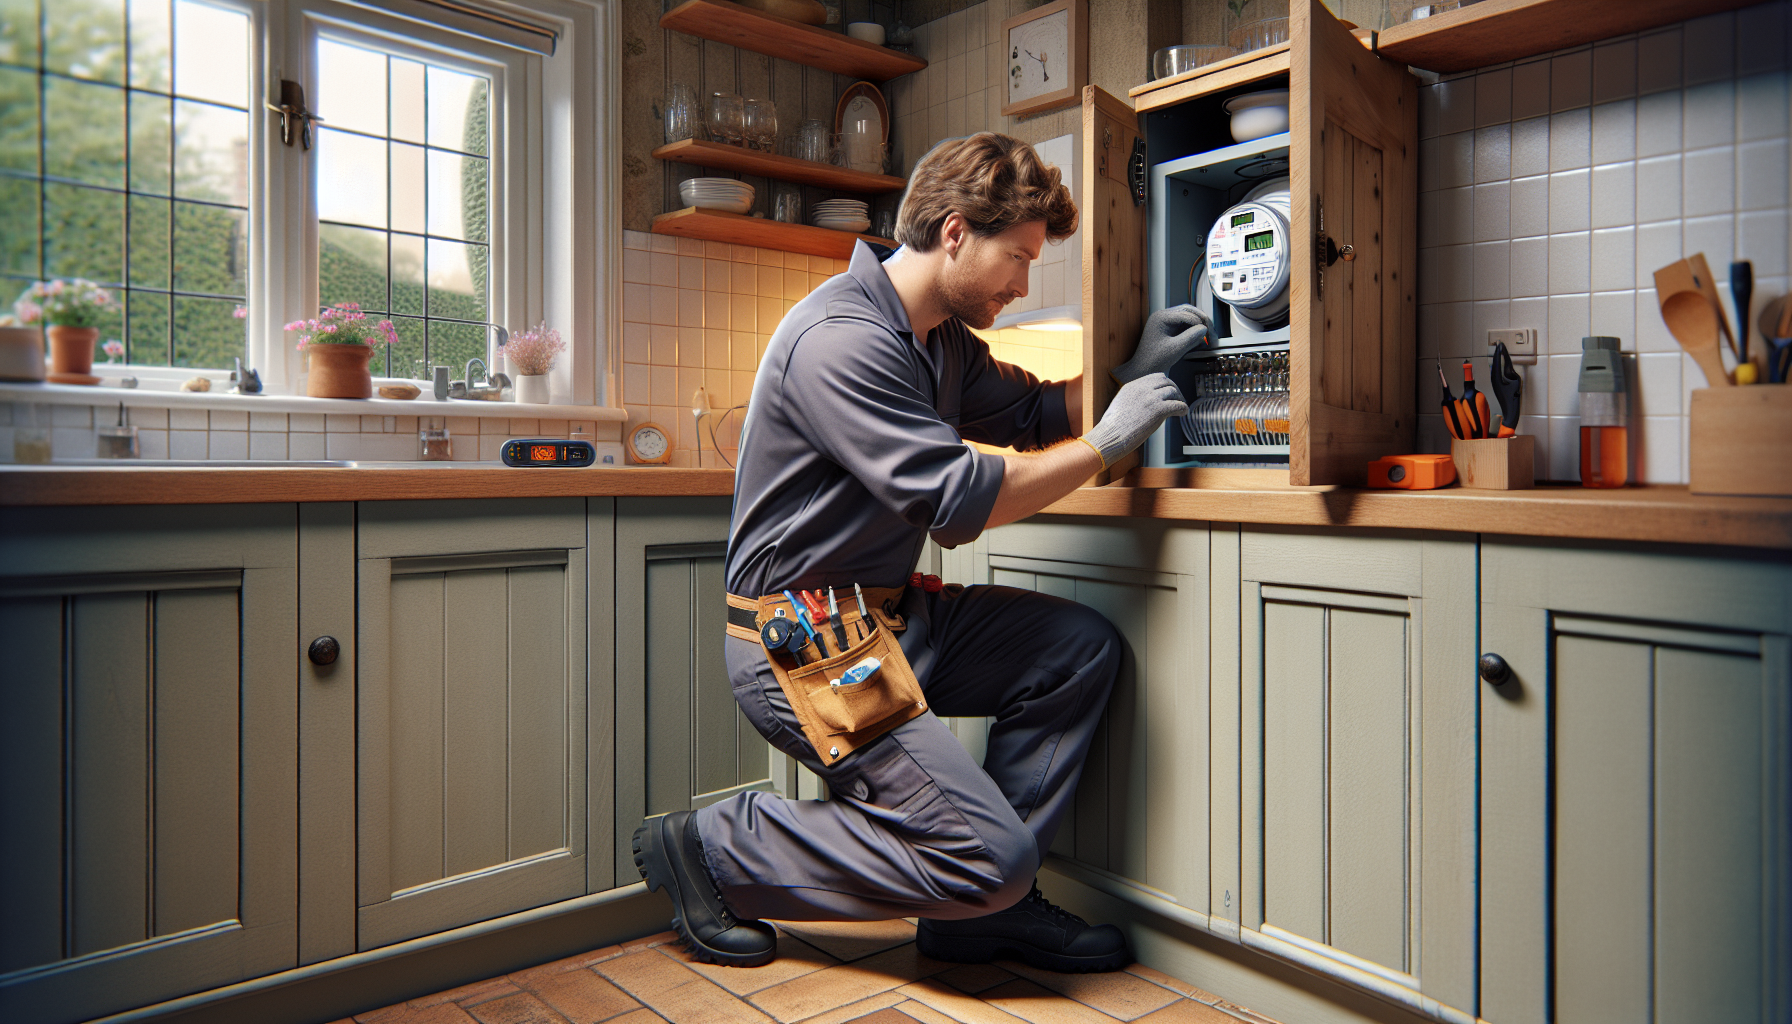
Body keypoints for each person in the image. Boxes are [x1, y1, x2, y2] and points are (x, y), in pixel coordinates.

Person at [634, 132, 1210, 974]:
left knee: (1075, 650)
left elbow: (1034, 415)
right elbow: (956, 502)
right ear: (952, 233)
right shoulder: (841, 338)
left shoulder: (936, 337)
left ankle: (978, 916)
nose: (1021, 284)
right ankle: (718, 844)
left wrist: (1127, 370)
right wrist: (1110, 440)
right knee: (991, 857)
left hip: (895, 620)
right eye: (1016, 258)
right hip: (805, 646)